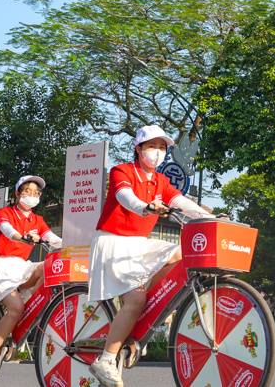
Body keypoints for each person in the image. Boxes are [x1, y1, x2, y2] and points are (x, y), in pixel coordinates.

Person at [87, 125, 213, 387]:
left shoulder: (160, 180)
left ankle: (139, 321)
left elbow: (180, 201)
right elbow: (125, 196)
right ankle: (107, 359)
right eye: (152, 146)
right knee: (135, 299)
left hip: (139, 244)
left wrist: (209, 217)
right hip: (113, 242)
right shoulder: (122, 170)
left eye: (162, 147)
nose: (157, 152)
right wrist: (145, 206)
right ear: (139, 149)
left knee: (183, 254)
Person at [0, 175, 62, 378]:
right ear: (17, 194)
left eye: (36, 193)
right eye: (27, 191)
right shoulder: (4, 212)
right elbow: (6, 229)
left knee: (47, 268)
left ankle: (24, 323)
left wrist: (74, 242)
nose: (32, 196)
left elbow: (51, 237)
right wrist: (21, 237)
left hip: (22, 267)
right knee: (16, 308)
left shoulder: (37, 220)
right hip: (1, 267)